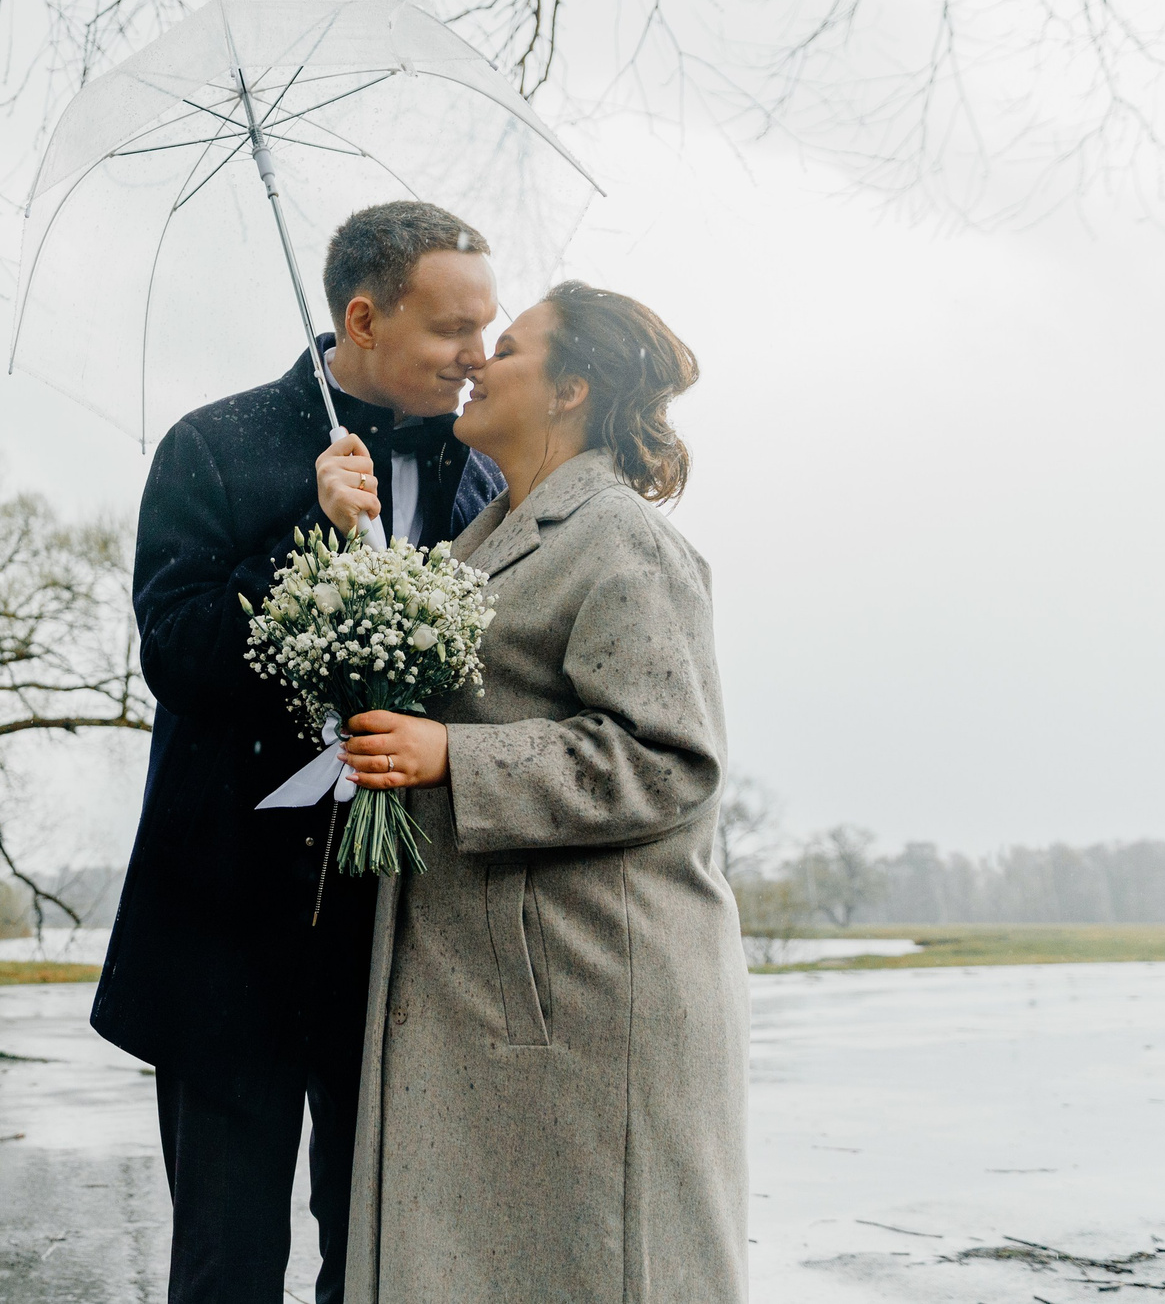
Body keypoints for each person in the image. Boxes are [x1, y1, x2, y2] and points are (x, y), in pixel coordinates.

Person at [92, 201, 510, 1304]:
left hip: (395, 941)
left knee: (376, 1261)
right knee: (227, 1266)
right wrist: (309, 540)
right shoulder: (211, 443)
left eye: (489, 325)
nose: (478, 356)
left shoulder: (479, 481)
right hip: (223, 932)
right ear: (363, 318)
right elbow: (176, 657)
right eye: (450, 331)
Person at [335, 280, 746, 1304]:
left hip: (587, 997)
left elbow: (668, 759)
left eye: (507, 347)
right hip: (494, 992)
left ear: (571, 389)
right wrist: (345, 537)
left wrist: (451, 760)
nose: (476, 358)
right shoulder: (480, 546)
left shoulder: (623, 540)